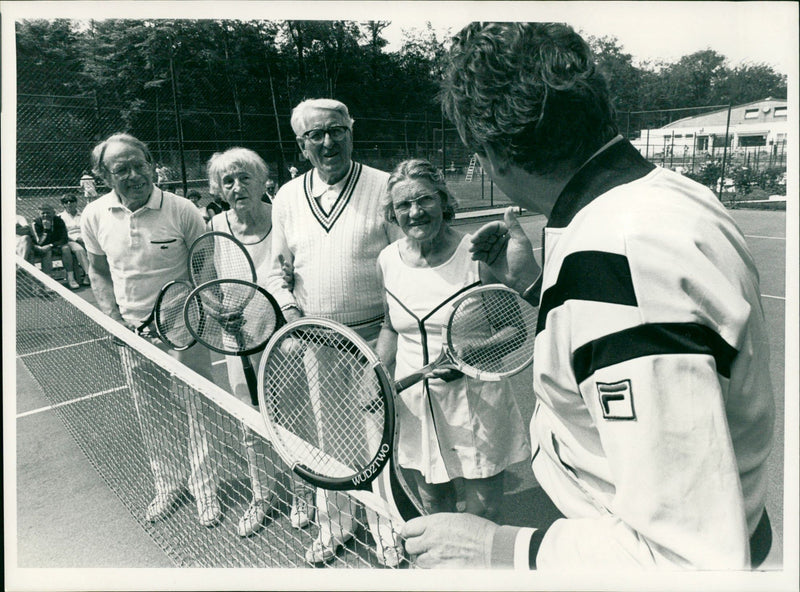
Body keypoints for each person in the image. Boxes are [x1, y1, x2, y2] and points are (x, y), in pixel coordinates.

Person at [401, 22, 775, 570]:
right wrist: (532, 286)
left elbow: (690, 559)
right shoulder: (668, 196)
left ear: (491, 155)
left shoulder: (619, 259)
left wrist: (493, 546)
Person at [266, 98, 404, 567]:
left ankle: (389, 530)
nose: (328, 142)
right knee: (328, 438)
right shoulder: (285, 197)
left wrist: (390, 337)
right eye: (316, 135)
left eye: (336, 130)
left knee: (380, 438)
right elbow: (276, 269)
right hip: (315, 340)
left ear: (351, 129)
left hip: (377, 338)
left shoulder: (385, 187)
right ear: (301, 144)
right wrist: (289, 314)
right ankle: (337, 525)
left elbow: (404, 265)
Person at [375, 158, 531, 520]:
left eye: (424, 200)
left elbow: (515, 332)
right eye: (403, 205)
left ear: (443, 201)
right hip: (416, 401)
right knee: (433, 504)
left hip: (475, 400)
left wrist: (468, 355)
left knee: (483, 509)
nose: (415, 212)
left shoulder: (477, 255)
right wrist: (379, 374)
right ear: (392, 212)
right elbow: (389, 327)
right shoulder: (386, 261)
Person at [81, 133, 221, 527]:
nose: (133, 175)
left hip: (183, 326)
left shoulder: (182, 209)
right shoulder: (93, 215)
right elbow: (98, 270)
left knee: (197, 408)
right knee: (151, 413)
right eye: (120, 169)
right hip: (133, 333)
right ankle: (168, 485)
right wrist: (112, 319)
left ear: (150, 164)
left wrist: (197, 311)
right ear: (104, 175)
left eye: (138, 165)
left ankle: (206, 489)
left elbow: (204, 264)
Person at [205, 146, 305, 537]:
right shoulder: (214, 227)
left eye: (245, 177)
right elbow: (208, 283)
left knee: (295, 420)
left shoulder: (282, 219)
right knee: (249, 421)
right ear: (218, 189)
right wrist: (217, 309)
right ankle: (261, 494)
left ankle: (302, 491)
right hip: (239, 341)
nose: (236, 186)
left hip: (284, 336)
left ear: (263, 181)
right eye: (227, 180)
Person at [31, 203, 81, 289]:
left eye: (48, 213)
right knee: (47, 252)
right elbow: (39, 242)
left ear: (53, 213)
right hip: (42, 248)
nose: (46, 215)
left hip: (55, 245)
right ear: (39, 213)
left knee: (66, 248)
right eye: (43, 213)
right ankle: (48, 282)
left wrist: (51, 245)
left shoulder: (59, 221)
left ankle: (71, 278)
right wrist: (46, 230)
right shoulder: (36, 223)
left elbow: (64, 238)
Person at [58, 193, 91, 286]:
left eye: (71, 201)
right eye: (66, 202)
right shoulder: (60, 217)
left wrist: (85, 238)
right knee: (79, 250)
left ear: (76, 203)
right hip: (70, 240)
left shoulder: (83, 215)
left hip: (85, 237)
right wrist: (77, 239)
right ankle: (89, 275)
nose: (69, 203)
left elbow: (88, 228)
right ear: (63, 204)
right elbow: (63, 233)